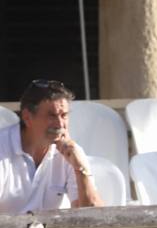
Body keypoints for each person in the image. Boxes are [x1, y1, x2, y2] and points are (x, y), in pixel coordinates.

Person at [0, 79, 101, 213]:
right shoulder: (2, 146)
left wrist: (80, 170)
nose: (60, 124)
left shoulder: (72, 152)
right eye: (52, 116)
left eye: (64, 115)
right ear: (27, 117)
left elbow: (93, 215)